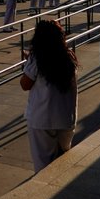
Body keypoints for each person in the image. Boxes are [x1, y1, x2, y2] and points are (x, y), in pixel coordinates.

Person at [20, 20, 79, 173]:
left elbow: (25, 84)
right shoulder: (69, 57)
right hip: (66, 118)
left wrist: (28, 63)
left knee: (43, 165)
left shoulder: (37, 59)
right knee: (63, 161)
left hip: (42, 119)